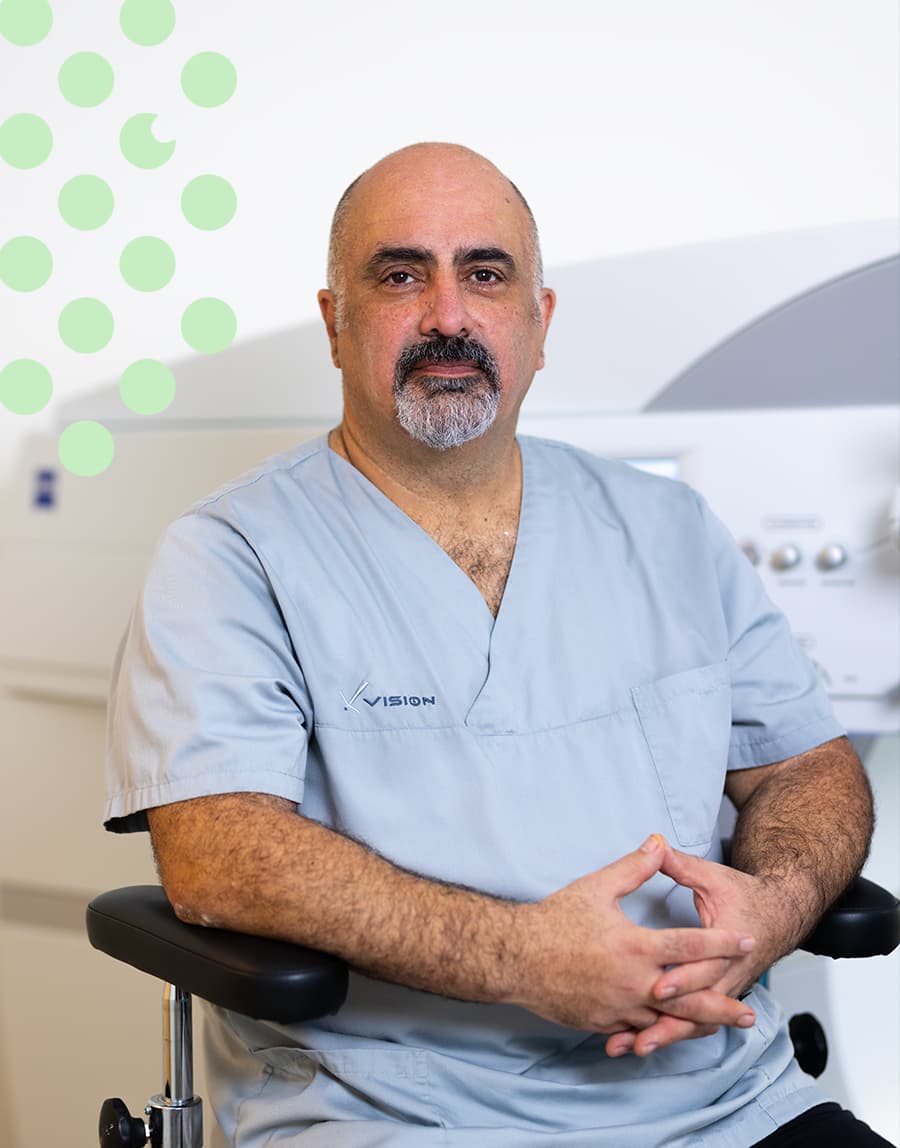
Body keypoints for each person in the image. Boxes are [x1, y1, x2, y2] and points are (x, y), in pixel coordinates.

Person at [105, 143, 891, 1147]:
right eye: (400, 275)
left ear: (539, 320)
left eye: (484, 273)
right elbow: (218, 856)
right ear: (335, 323)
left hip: (721, 1098)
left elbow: (805, 764)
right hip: (401, 1111)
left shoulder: (669, 529)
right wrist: (525, 957)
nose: (447, 314)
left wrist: (774, 907)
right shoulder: (231, 554)